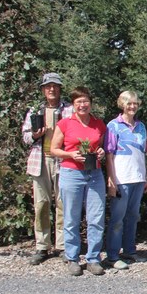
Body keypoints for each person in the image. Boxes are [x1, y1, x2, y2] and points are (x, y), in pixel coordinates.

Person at [50, 86, 106, 276]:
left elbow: (101, 146)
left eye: (85, 101)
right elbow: (54, 149)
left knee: (96, 218)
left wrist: (101, 152)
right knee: (71, 217)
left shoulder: (99, 124)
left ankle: (93, 258)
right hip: (71, 173)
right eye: (78, 102)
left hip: (95, 174)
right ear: (73, 105)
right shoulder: (65, 123)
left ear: (90, 103)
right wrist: (70, 154)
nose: (82, 105)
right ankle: (73, 258)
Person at [22, 72, 73, 266]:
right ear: (43, 89)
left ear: (60, 89)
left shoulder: (68, 109)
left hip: (62, 161)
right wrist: (35, 135)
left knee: (62, 204)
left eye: (55, 86)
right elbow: (25, 137)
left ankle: (62, 245)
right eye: (48, 86)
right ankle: (42, 245)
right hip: (40, 161)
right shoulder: (36, 110)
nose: (52, 89)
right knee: (41, 204)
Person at [104, 91, 147, 270]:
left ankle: (129, 250)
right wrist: (111, 180)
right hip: (121, 178)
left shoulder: (141, 126)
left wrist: (144, 177)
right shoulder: (113, 126)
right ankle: (113, 255)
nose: (132, 107)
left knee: (133, 217)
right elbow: (109, 154)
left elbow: (142, 153)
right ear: (122, 104)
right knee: (117, 219)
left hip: (137, 177)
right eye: (129, 103)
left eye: (135, 104)